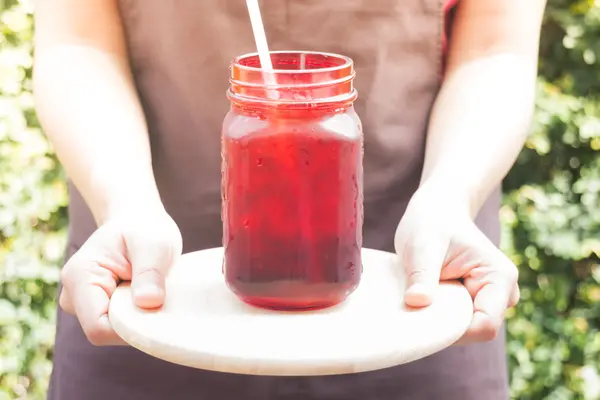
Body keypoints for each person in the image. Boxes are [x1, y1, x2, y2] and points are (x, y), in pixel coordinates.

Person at [33, 0, 547, 399]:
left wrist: (451, 195)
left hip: (415, 289)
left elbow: (493, 50)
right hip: (148, 286)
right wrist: (123, 203)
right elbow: (78, 42)